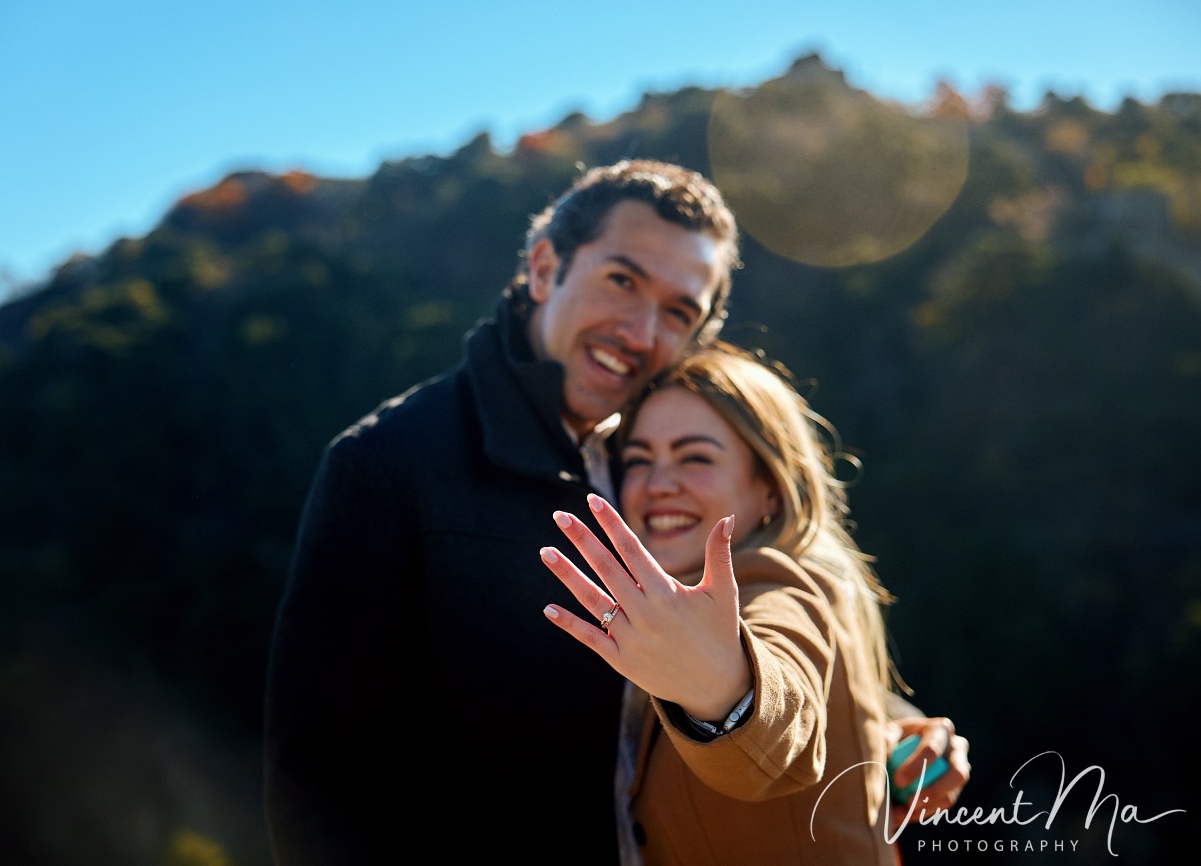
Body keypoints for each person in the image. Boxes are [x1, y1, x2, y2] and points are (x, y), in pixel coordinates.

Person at [262, 159, 743, 863]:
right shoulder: (387, 464)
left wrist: (891, 722)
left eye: (678, 312)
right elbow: (319, 785)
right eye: (622, 280)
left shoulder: (676, 466)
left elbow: (778, 590)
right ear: (546, 268)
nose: (640, 333)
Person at [541, 340, 971, 864]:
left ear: (768, 486)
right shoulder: (706, 598)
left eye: (694, 457)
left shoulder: (777, 583)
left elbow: (780, 699)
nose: (658, 484)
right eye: (639, 460)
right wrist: (898, 725)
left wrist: (724, 692)